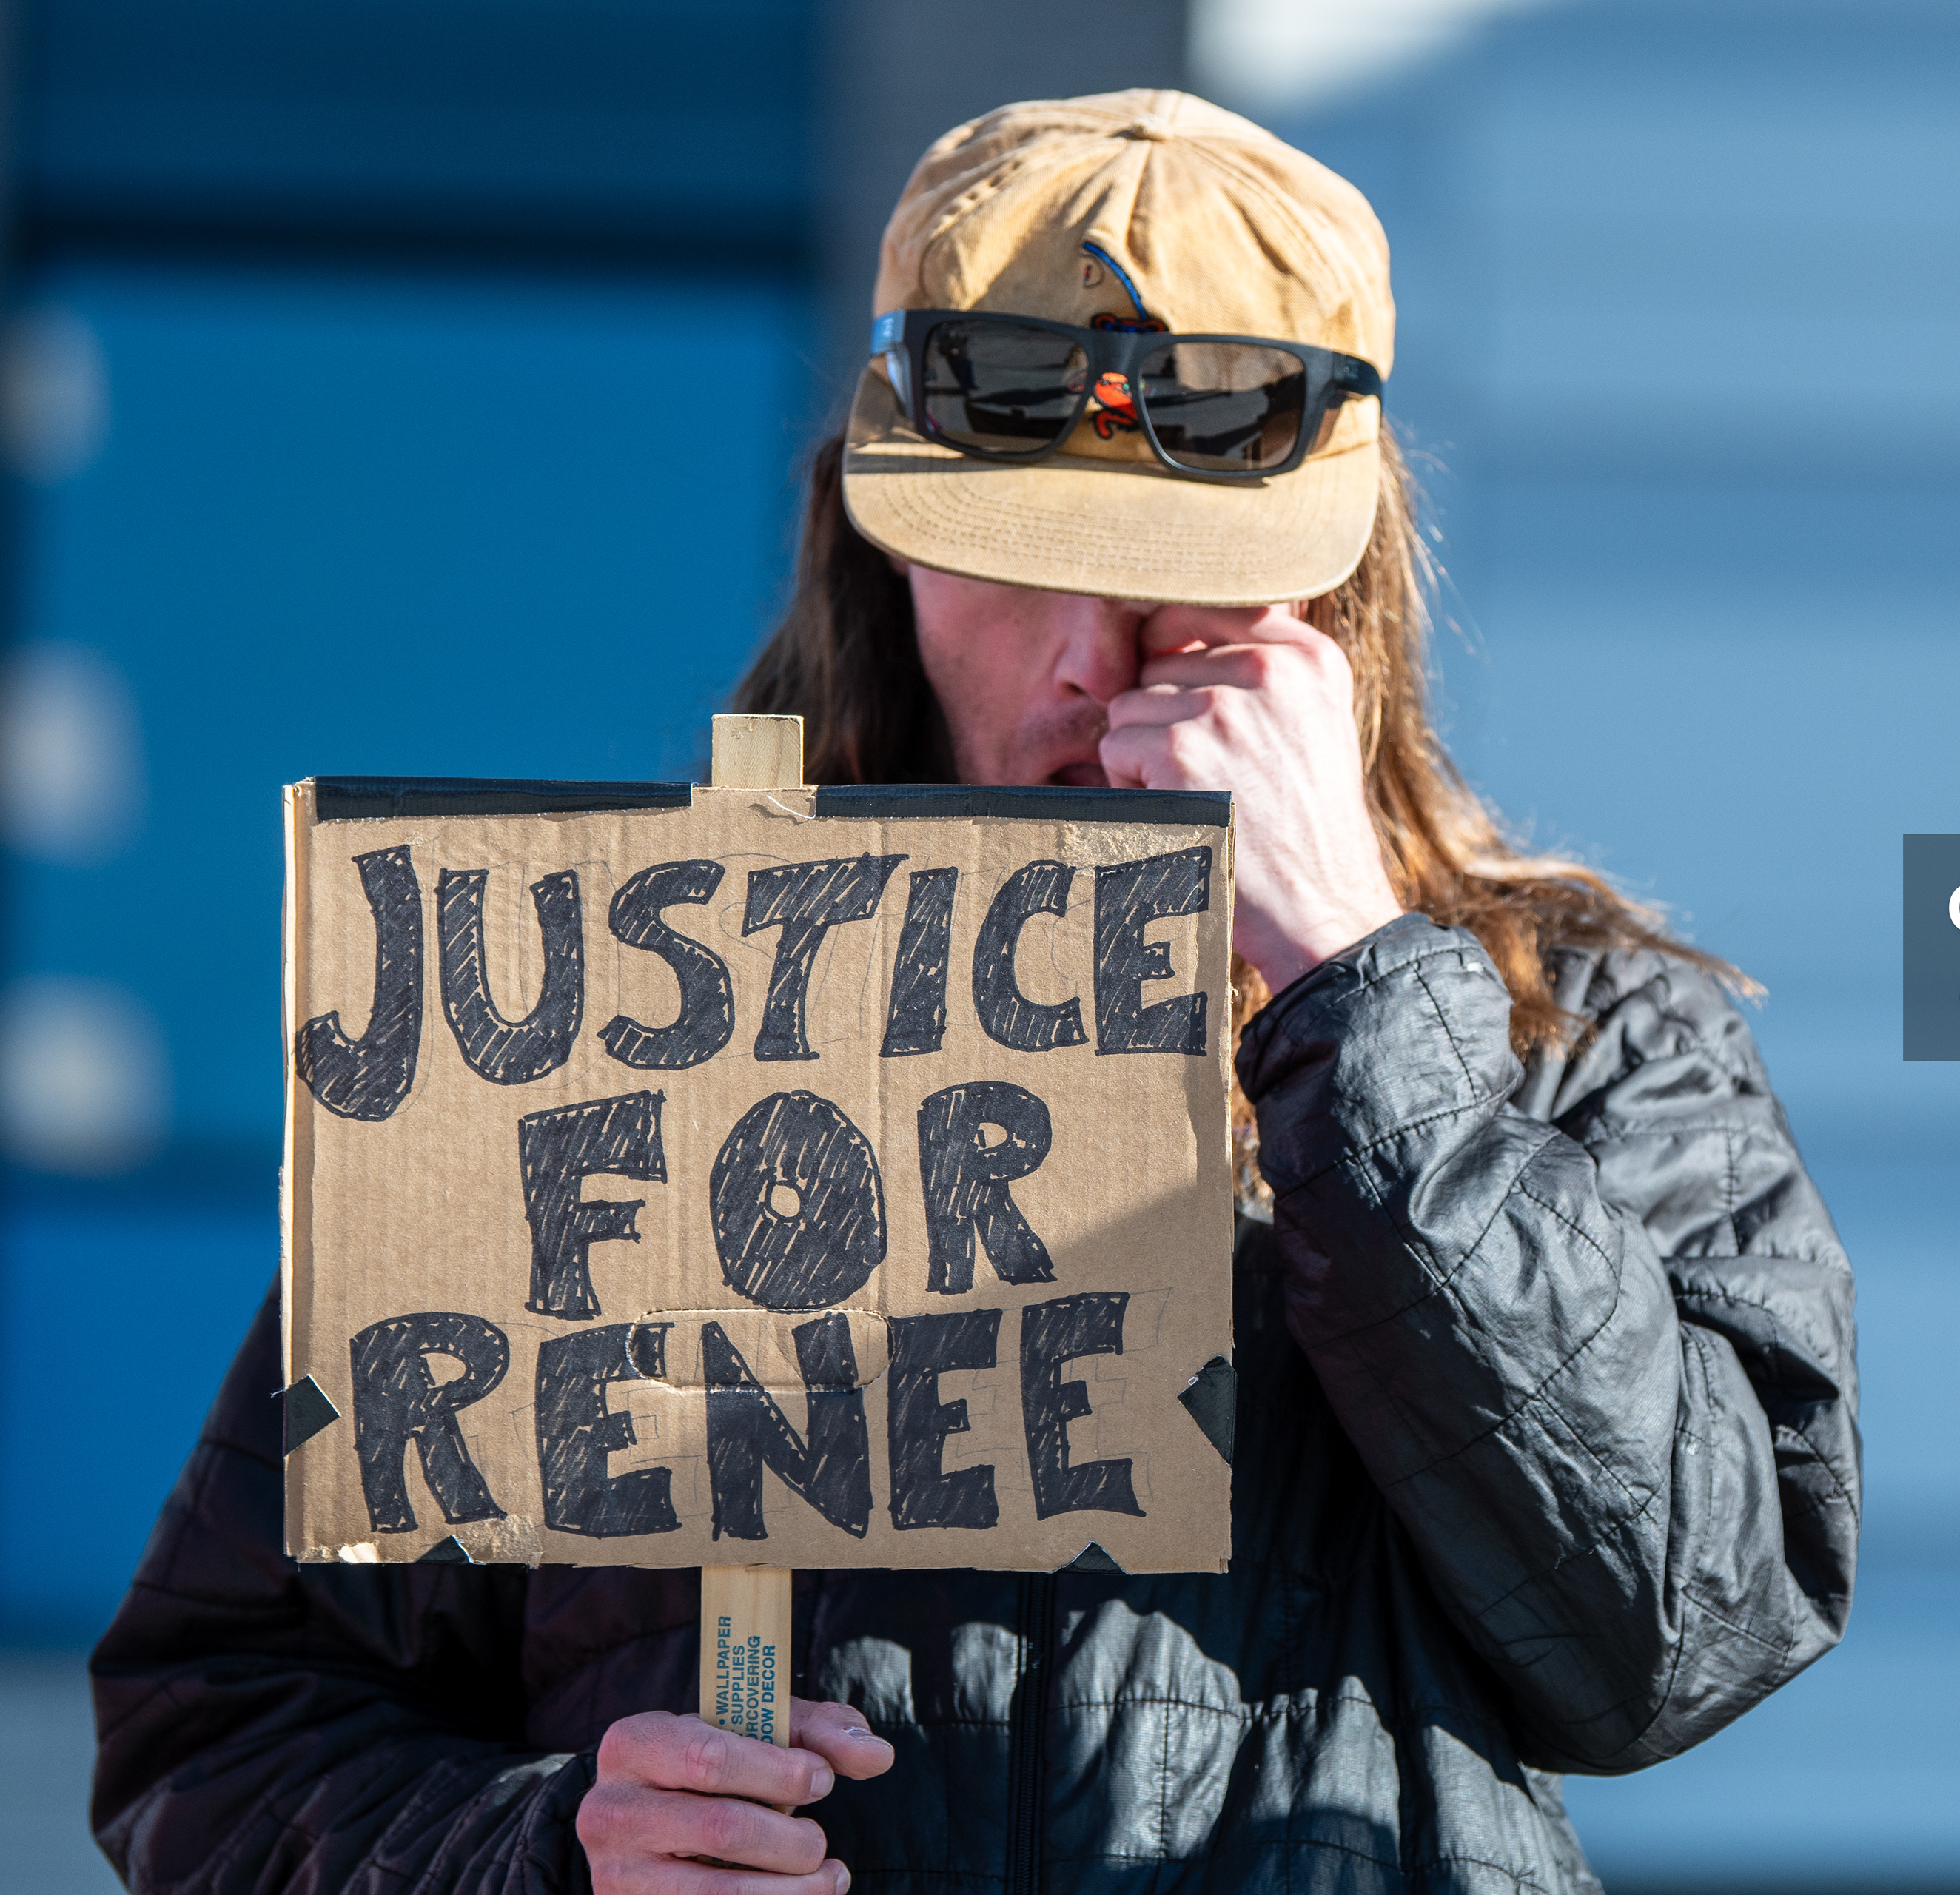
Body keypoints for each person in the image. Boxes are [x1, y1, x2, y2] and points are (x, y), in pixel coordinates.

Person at [90, 90, 1859, 1894]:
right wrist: (542, 1849)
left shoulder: (1574, 1026)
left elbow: (1686, 1635)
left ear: (1338, 580)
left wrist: (1354, 999)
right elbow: (217, 1722)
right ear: (882, 537)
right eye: (1020, 563)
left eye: (1178, 585)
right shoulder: (609, 987)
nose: (1089, 664)